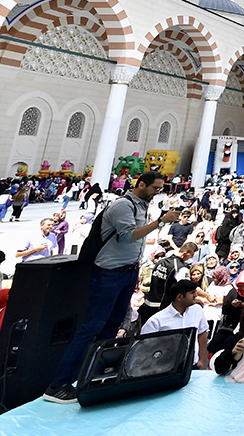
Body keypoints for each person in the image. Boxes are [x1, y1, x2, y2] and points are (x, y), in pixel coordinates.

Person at [44, 171, 177, 404]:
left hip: (127, 272)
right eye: (155, 188)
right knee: (91, 327)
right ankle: (59, 384)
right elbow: (127, 237)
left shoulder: (142, 205)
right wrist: (160, 223)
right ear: (141, 184)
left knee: (111, 327)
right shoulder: (122, 206)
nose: (158, 192)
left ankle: (92, 374)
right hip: (109, 274)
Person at [139, 278, 209, 370]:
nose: (196, 295)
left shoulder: (197, 310)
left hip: (193, 366)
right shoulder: (156, 321)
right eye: (192, 293)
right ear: (179, 297)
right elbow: (145, 348)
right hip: (166, 369)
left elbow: (202, 334)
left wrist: (201, 360)